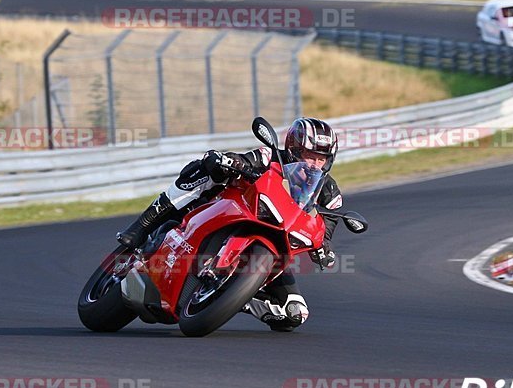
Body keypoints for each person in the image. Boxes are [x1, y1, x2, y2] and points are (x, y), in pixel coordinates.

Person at [116, 117, 344, 332]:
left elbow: (326, 226)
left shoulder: (329, 192)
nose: (314, 164)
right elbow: (243, 160)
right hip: (236, 210)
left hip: (274, 244)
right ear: (294, 150)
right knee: (204, 169)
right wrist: (230, 162)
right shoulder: (270, 156)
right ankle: (141, 227)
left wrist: (324, 248)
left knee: (294, 314)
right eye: (309, 155)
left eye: (320, 158)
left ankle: (236, 296)